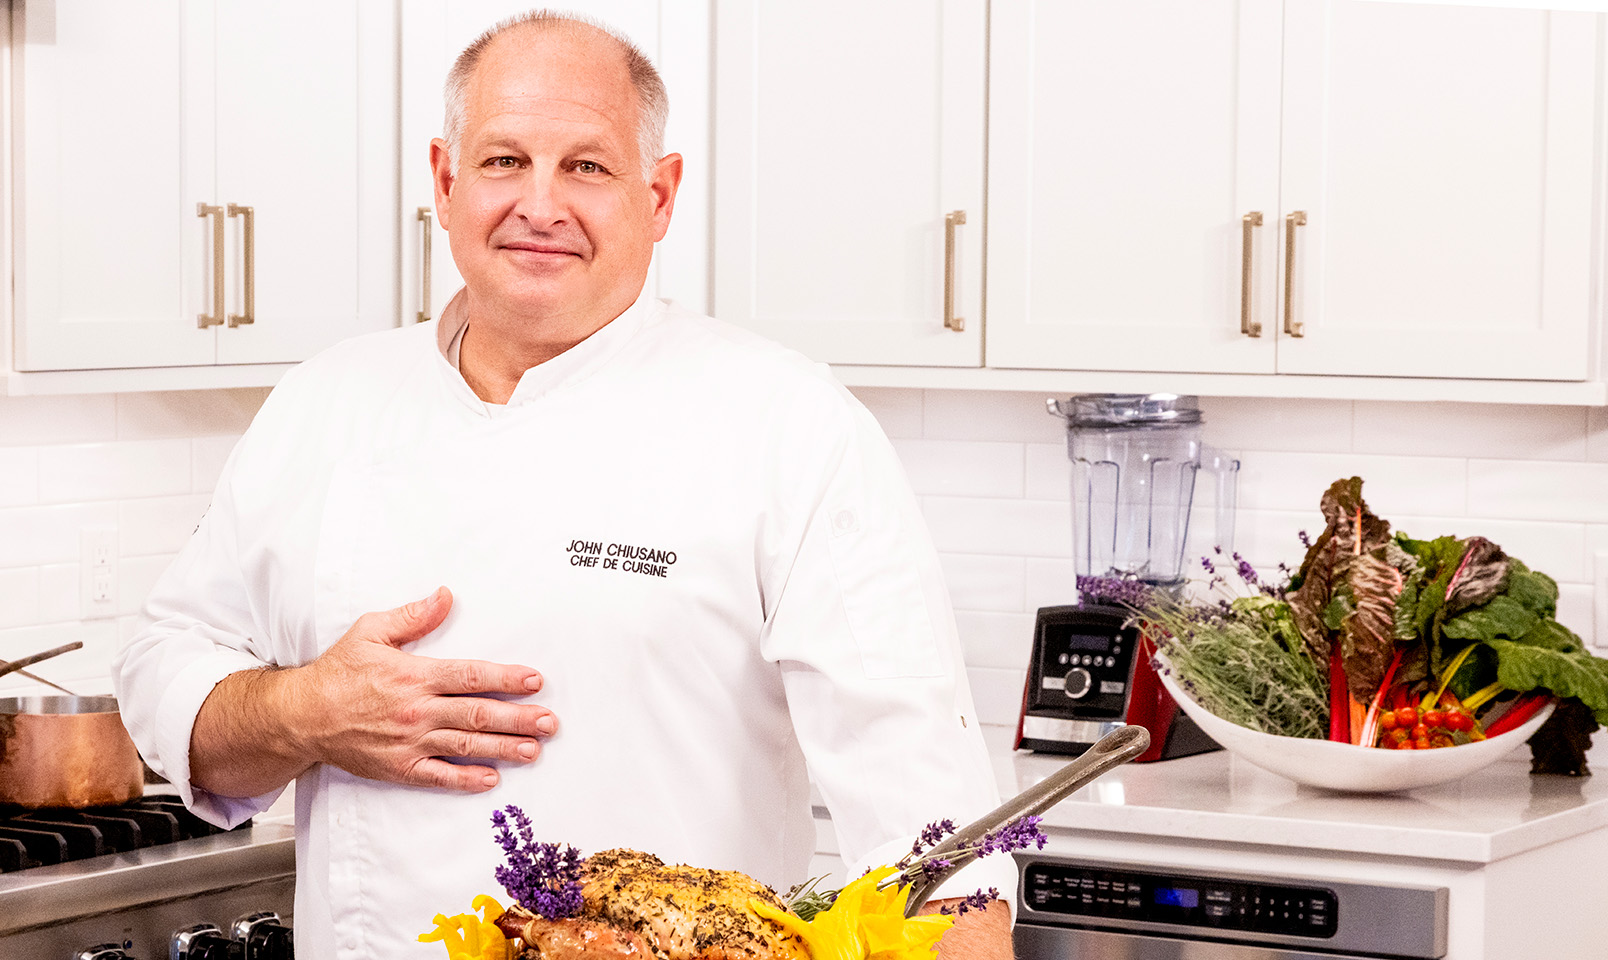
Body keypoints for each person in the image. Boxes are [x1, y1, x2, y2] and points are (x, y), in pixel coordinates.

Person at [114, 11, 1016, 960]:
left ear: (660, 197)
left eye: (586, 166)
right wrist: (307, 713)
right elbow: (164, 672)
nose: (539, 205)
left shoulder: (787, 423)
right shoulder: (323, 404)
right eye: (504, 160)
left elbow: (932, 822)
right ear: (444, 180)